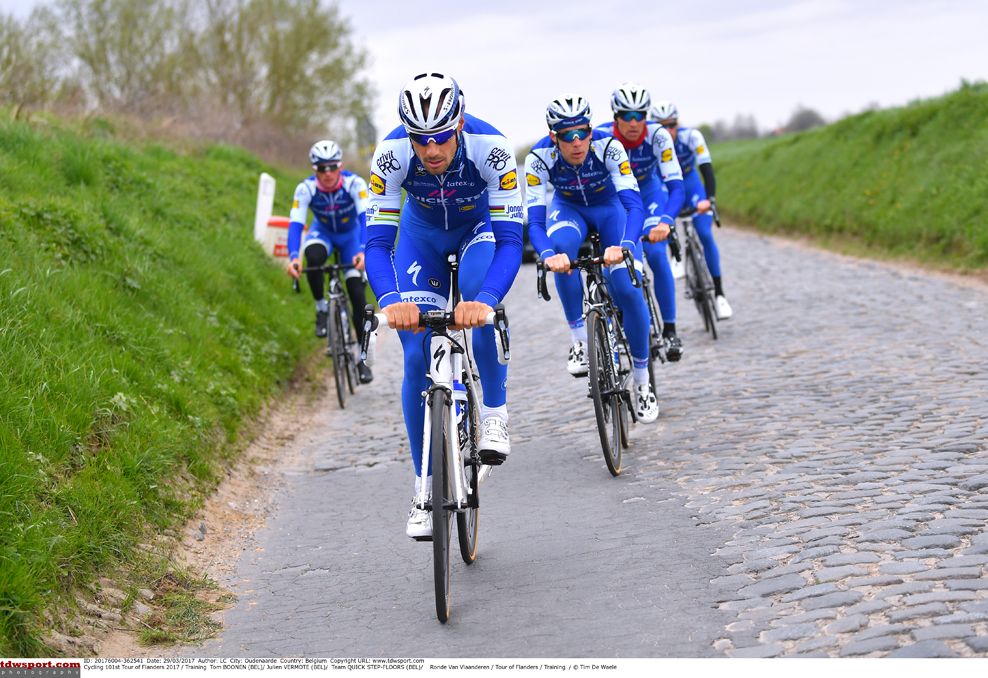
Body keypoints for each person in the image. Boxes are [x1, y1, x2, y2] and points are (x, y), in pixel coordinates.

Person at [364, 72, 524, 539]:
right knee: (415, 355)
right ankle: (424, 488)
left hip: (478, 230)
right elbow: (377, 242)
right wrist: (391, 300)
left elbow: (512, 240)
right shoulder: (390, 154)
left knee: (477, 295)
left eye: (439, 138)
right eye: (421, 140)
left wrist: (486, 301)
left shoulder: (491, 147)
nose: (431, 150)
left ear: (458, 126)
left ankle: (494, 414)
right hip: (421, 237)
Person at [525, 94, 659, 424]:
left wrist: (625, 244)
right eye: (566, 135)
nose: (576, 142)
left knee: (626, 288)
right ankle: (579, 341)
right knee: (561, 252)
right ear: (553, 136)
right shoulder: (538, 157)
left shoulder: (609, 146)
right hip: (569, 210)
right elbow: (536, 221)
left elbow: (633, 206)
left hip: (611, 209)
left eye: (582, 132)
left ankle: (643, 384)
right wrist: (546, 255)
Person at [596, 82, 686, 361]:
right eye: (627, 115)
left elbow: (676, 184)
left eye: (640, 116)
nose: (634, 123)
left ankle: (670, 329)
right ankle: (623, 315)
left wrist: (666, 222)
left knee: (657, 254)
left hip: (649, 195)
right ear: (615, 117)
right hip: (618, 201)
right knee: (612, 260)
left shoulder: (658, 136)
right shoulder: (600, 137)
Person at [286, 139, 373, 383]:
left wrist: (364, 250)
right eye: (321, 168)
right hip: (322, 232)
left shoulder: (355, 183)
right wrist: (293, 257)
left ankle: (361, 358)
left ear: (340, 165)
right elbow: (296, 224)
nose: (327, 173)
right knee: (312, 257)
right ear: (314, 169)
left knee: (357, 294)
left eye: (332, 167)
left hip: (351, 238)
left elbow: (366, 217)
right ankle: (321, 308)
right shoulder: (306, 189)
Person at [649, 101, 732, 319]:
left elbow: (707, 169)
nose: (668, 131)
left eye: (672, 125)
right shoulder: (651, 143)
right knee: (661, 220)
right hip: (666, 186)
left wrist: (710, 199)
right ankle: (675, 257)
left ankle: (720, 295)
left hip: (691, 184)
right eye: (662, 126)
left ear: (678, 124)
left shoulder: (692, 137)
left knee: (705, 233)